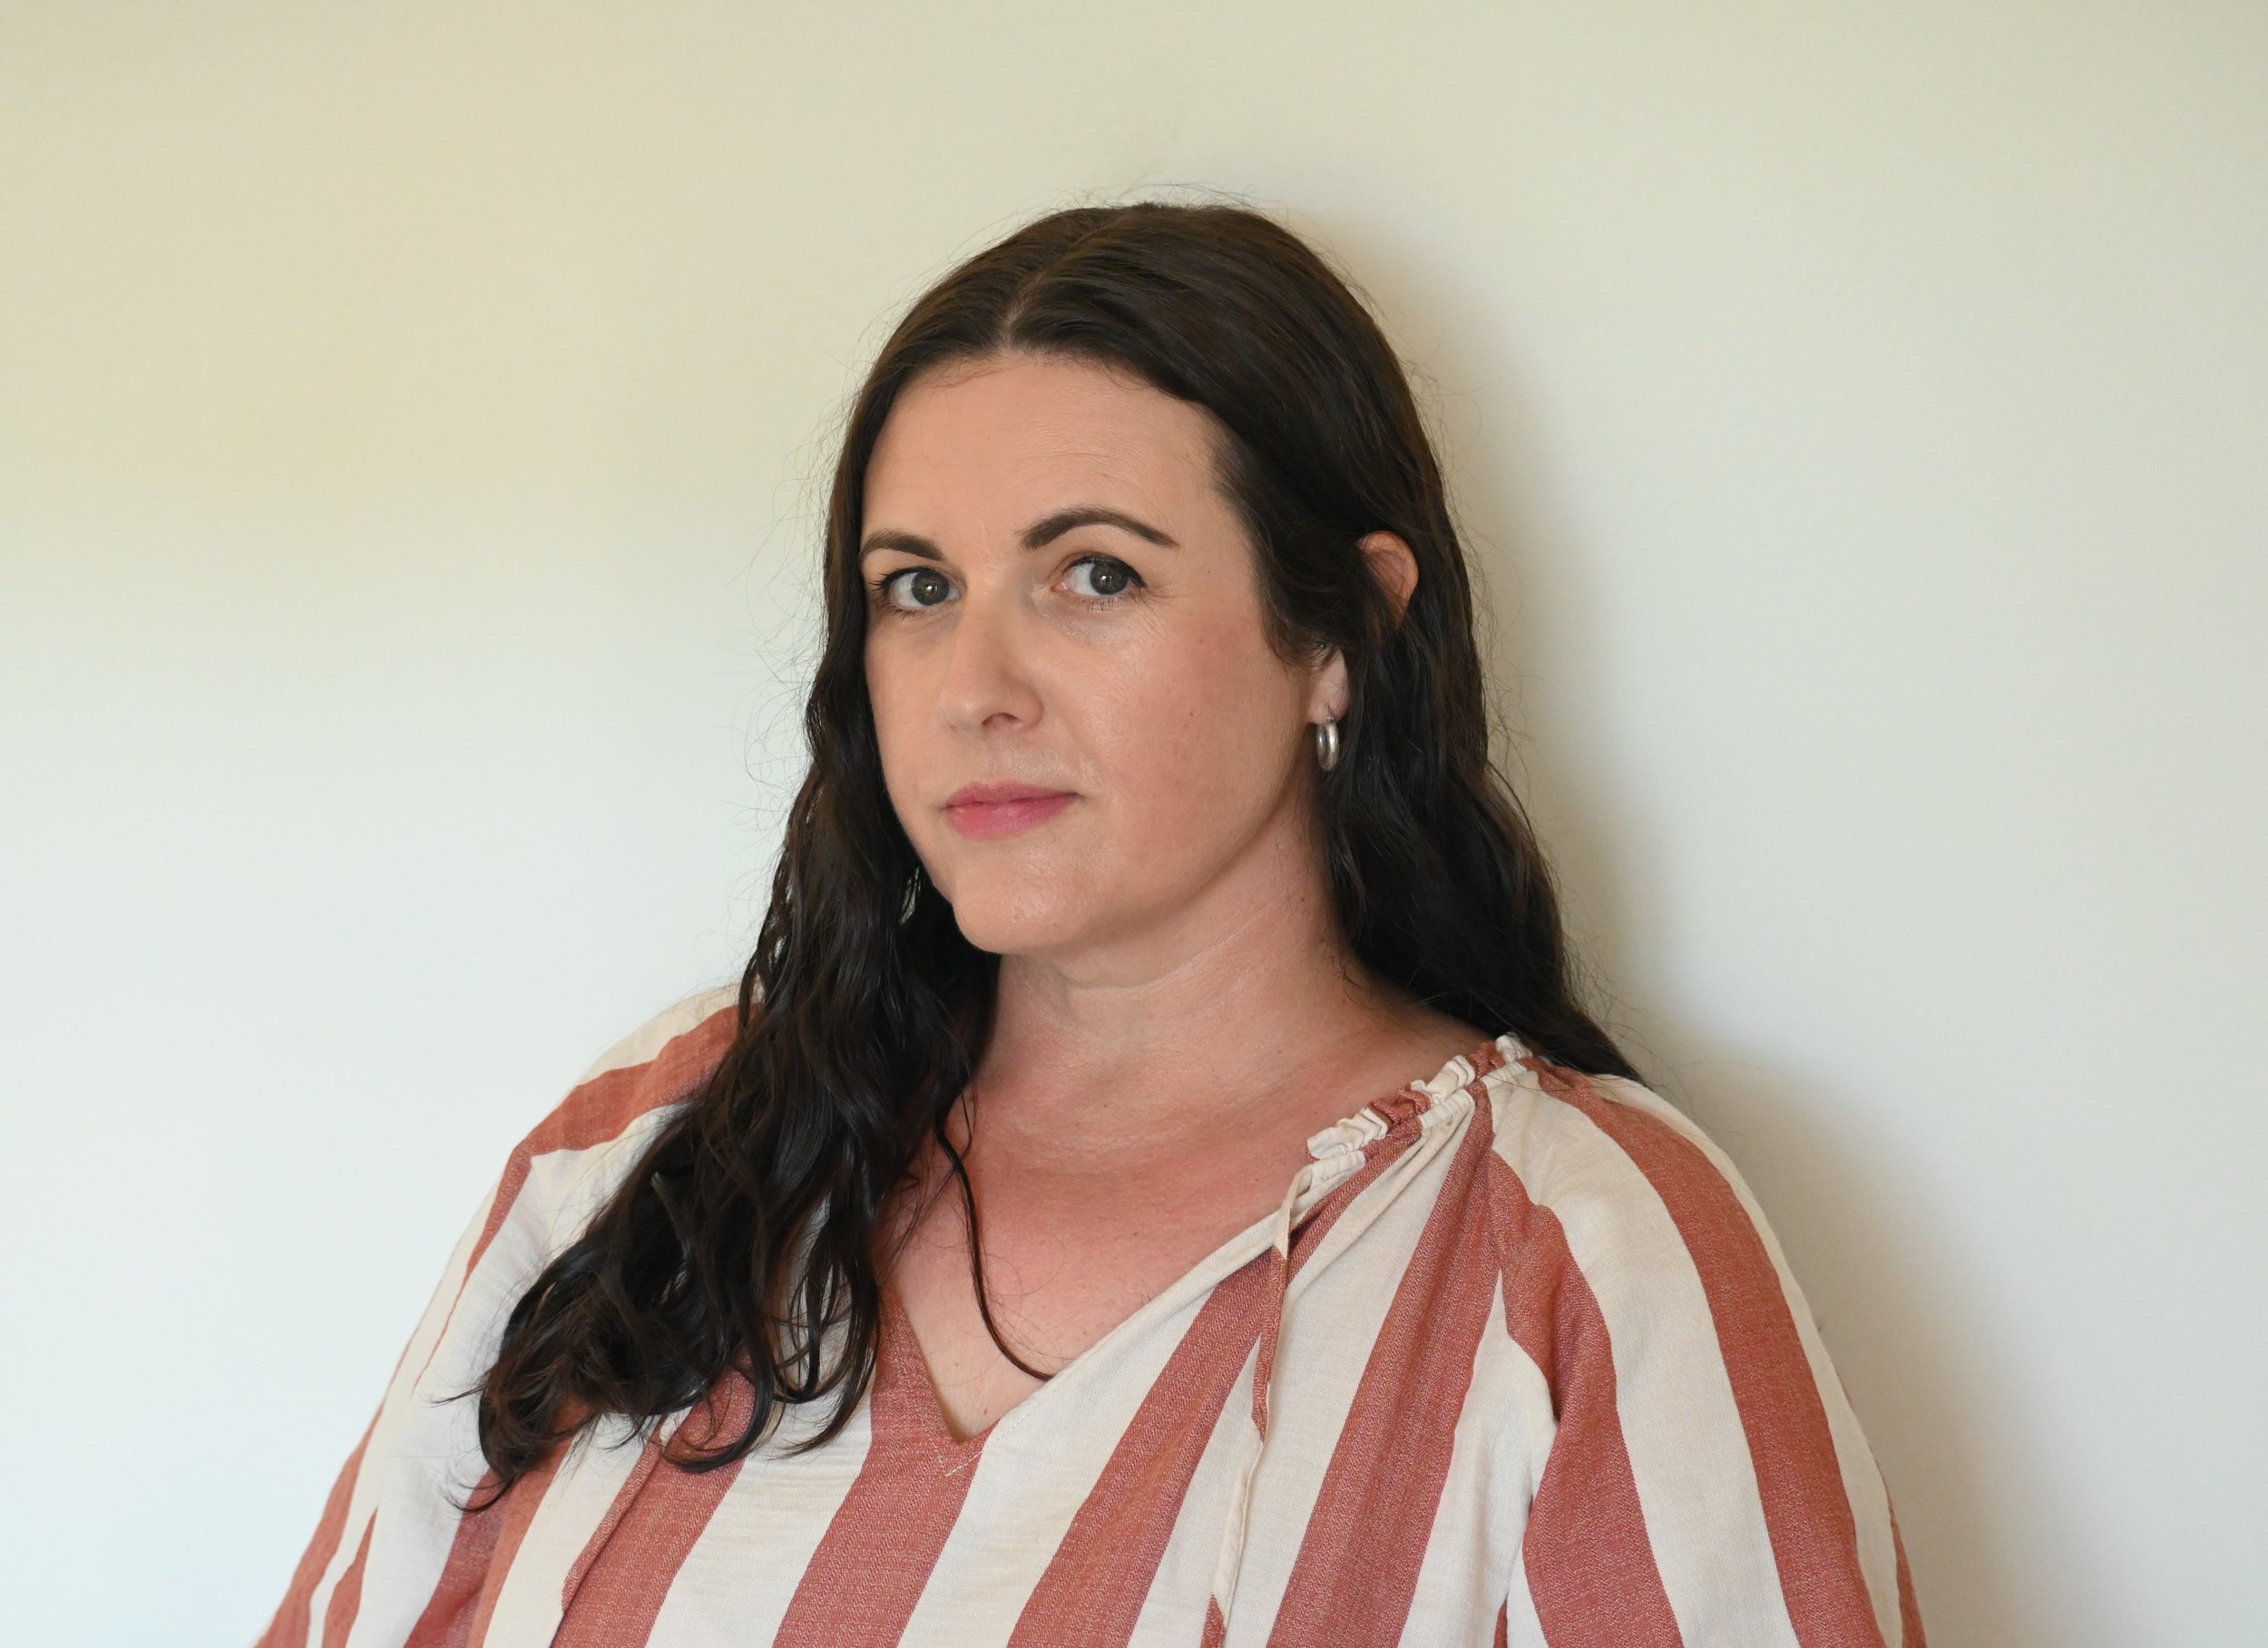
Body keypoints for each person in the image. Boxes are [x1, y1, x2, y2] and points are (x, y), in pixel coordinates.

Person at [257, 200, 1924, 1647]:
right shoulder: (659, 1143)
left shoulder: (1574, 1251)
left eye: (1097, 574)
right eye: (918, 587)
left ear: (1340, 634)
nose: (974, 687)